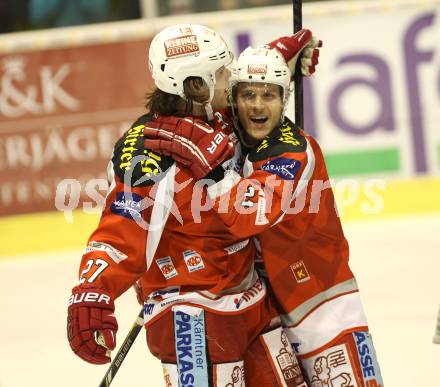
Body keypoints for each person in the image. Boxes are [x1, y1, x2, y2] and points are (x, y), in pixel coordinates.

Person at [67, 23, 317, 386]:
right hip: (193, 316)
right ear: (195, 86)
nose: (230, 78)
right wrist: (92, 293)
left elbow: (254, 92)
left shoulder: (215, 113)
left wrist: (280, 57)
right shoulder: (149, 152)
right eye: (220, 73)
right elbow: (122, 227)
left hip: (251, 302)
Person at [143, 42, 384, 386]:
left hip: (320, 304)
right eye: (248, 95)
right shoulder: (230, 125)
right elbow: (228, 76)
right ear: (233, 96)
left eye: (269, 96)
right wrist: (284, 48)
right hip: (266, 307)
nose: (257, 105)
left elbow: (249, 215)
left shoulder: (291, 151)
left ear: (284, 99)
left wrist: (213, 173)